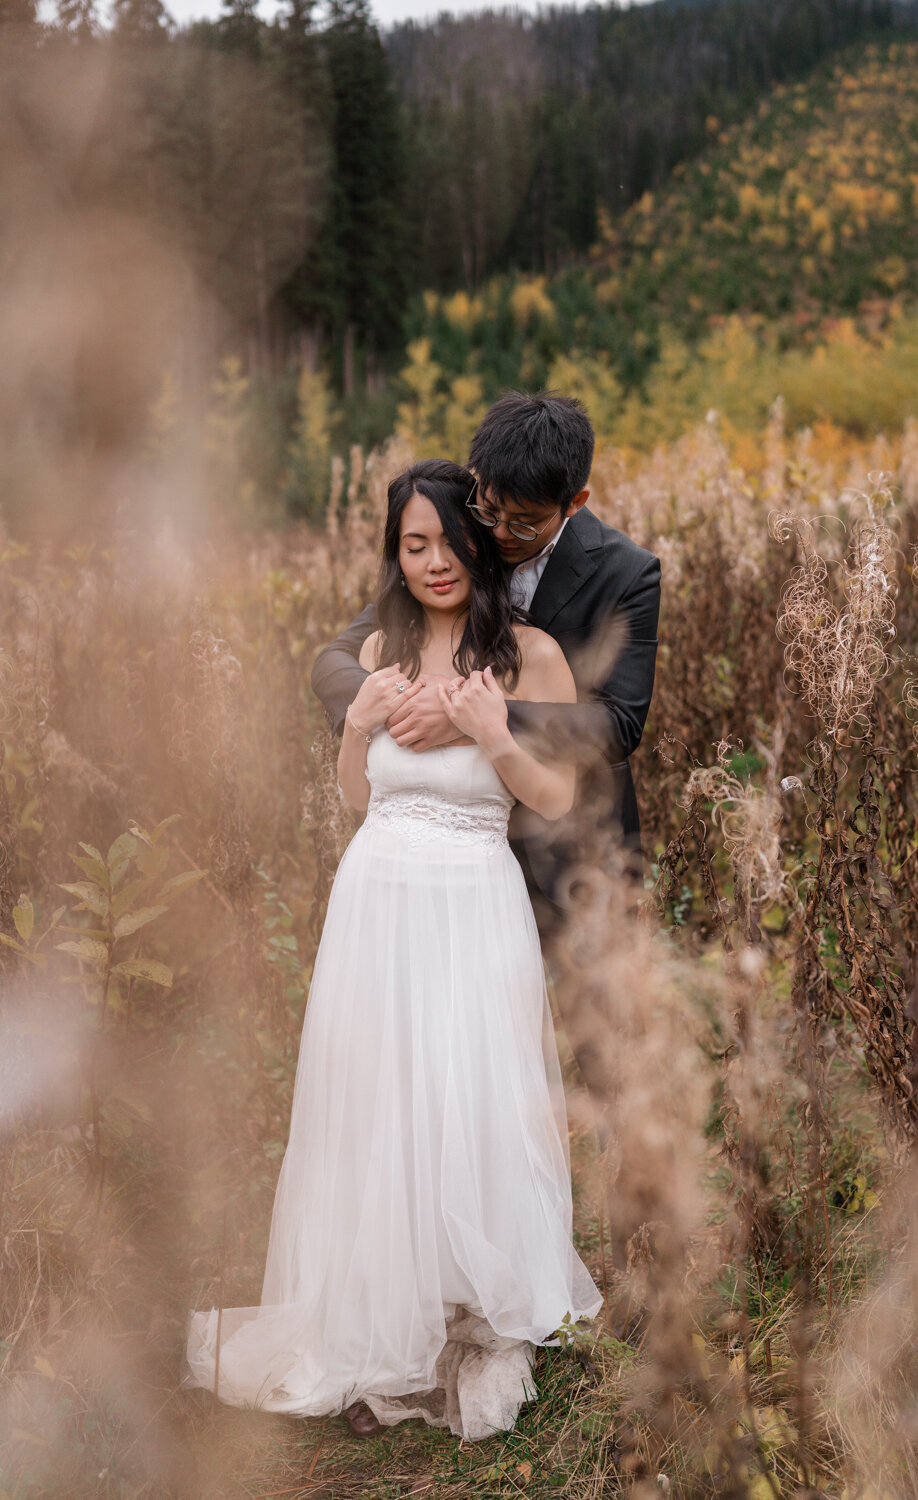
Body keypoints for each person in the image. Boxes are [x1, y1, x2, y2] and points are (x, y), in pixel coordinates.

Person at [182, 460, 602, 1441]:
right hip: (376, 898)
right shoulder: (377, 648)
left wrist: (494, 737)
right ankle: (376, 1310)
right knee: (377, 1104)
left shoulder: (530, 654)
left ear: (480, 541)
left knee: (473, 1091)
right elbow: (356, 797)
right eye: (413, 545)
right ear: (395, 555)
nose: (434, 560)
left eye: (450, 539)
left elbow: (562, 798)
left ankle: (475, 1300)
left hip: (474, 896)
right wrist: (357, 726)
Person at [312, 392, 662, 1267]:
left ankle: (632, 1266)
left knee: (603, 1052)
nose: (497, 535)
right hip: (437, 862)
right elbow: (337, 654)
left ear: (573, 506)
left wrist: (484, 714)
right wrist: (373, 716)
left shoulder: (626, 572)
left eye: (522, 521)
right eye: (490, 510)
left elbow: (617, 728)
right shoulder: (460, 532)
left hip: (569, 848)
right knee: (448, 1062)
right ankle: (434, 1257)